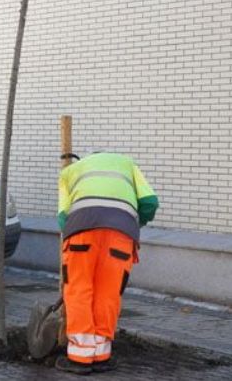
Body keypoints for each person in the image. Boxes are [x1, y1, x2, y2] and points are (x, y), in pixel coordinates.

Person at [56, 152, 158, 374]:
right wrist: (134, 222)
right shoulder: (127, 165)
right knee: (108, 293)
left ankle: (79, 357)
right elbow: (150, 202)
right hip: (121, 236)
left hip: (81, 234)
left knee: (79, 290)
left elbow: (63, 217)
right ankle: (101, 355)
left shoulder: (70, 172)